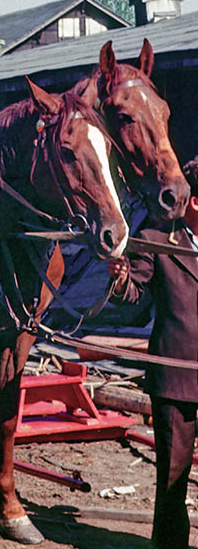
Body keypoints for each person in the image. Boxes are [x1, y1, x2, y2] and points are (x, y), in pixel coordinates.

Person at [109, 154, 198, 549]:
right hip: (176, 381)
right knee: (173, 478)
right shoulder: (157, 239)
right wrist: (121, 277)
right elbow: (133, 299)